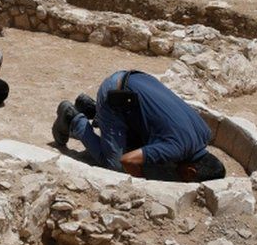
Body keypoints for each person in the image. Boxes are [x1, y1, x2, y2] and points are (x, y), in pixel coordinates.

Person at [52, 70, 225, 182]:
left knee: (137, 145)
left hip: (136, 80)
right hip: (116, 93)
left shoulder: (204, 133)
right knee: (114, 165)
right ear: (191, 172)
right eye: (187, 181)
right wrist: (140, 182)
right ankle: (73, 119)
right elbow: (127, 160)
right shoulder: (176, 148)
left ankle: (91, 109)